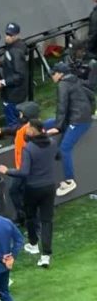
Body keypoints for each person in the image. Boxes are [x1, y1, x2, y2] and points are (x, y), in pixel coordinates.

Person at [0, 120, 56, 268]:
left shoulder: (28, 149)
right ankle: (46, 255)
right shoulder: (52, 142)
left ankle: (34, 245)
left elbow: (23, 172)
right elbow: (58, 156)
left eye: (29, 129)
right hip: (49, 186)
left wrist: (7, 171)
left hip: (33, 187)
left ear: (34, 131)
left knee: (31, 216)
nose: (27, 130)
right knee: (47, 220)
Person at [43, 61, 91, 198]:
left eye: (54, 74)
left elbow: (61, 107)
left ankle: (70, 181)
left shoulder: (63, 84)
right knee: (46, 123)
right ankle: (57, 154)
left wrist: (58, 127)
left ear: (60, 74)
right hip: (76, 116)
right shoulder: (75, 79)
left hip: (78, 120)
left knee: (65, 147)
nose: (52, 76)